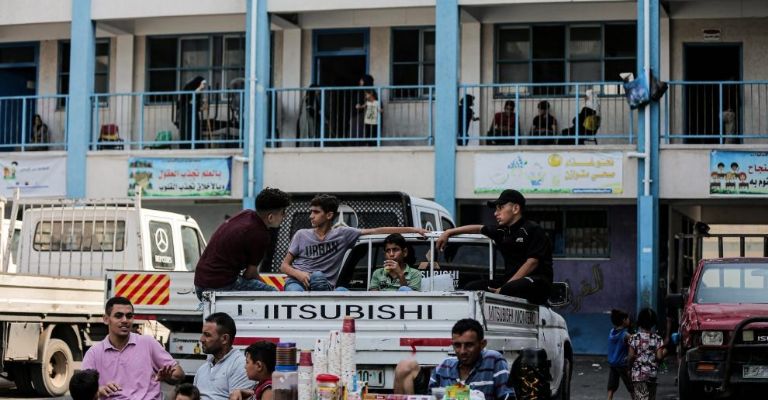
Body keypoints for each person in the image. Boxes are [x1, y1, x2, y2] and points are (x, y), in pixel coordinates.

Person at [280, 194, 428, 291]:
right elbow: (284, 266)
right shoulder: (301, 234)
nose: (311, 216)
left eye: (316, 212)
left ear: (329, 215)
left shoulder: (343, 234)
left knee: (319, 277)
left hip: (322, 284)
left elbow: (376, 231)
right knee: (295, 293)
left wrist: (413, 229)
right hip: (297, 281)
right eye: (311, 212)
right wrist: (299, 274)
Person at [436, 189, 553, 304]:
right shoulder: (501, 231)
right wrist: (448, 232)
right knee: (472, 287)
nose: (495, 213)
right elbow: (478, 228)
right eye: (496, 209)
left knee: (508, 289)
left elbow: (532, 262)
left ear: (515, 208)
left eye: (500, 208)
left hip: (537, 282)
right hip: (511, 283)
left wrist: (505, 288)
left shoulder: (533, 229)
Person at [194, 187, 291, 300]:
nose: (284, 216)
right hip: (219, 286)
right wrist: (267, 285)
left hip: (200, 282)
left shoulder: (246, 214)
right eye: (282, 213)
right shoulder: (260, 235)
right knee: (273, 294)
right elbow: (249, 275)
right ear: (270, 217)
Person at [82, 296, 184, 399]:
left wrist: (168, 377)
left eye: (129, 316)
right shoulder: (94, 353)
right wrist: (99, 391)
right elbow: (82, 390)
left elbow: (179, 373)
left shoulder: (148, 343)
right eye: (118, 316)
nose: (125, 320)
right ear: (106, 319)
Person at [393, 318, 515, 400]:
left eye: (469, 345)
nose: (462, 351)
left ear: (482, 344)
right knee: (404, 366)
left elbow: (507, 396)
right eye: (457, 345)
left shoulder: (493, 360)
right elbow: (432, 396)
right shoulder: (444, 367)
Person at [194, 312, 254, 400]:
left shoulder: (241, 365)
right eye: (202, 334)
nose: (201, 339)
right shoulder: (203, 369)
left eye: (207, 335)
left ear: (224, 339)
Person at [628, 308, 667, 400]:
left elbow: (631, 357)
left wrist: (629, 369)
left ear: (640, 322)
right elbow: (659, 357)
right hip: (652, 375)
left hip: (638, 375)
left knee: (641, 398)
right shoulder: (658, 339)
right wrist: (664, 353)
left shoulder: (634, 338)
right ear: (653, 323)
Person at [607, 309, 634, 400]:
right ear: (624, 320)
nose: (629, 320)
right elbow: (634, 341)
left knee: (611, 386)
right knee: (631, 386)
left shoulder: (611, 332)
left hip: (613, 363)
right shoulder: (625, 335)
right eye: (628, 319)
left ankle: (609, 398)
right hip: (622, 364)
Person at [177, 76, 207, 149]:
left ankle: (195, 146)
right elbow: (187, 99)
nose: (203, 86)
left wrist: (202, 107)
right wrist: (197, 90)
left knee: (195, 128)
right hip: (186, 113)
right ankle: (187, 146)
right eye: (202, 84)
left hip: (193, 112)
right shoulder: (189, 87)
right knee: (187, 129)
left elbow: (197, 104)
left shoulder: (199, 91)